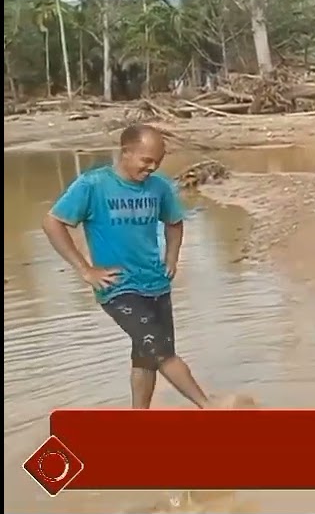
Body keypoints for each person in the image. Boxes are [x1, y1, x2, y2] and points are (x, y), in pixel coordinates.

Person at [41, 124, 213, 410]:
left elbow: (174, 222)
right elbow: (52, 222)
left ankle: (137, 421)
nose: (152, 167)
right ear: (126, 152)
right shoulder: (92, 185)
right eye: (146, 160)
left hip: (156, 283)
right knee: (162, 353)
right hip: (119, 287)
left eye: (157, 161)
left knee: (146, 356)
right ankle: (209, 408)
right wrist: (85, 269)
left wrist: (172, 258)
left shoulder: (159, 187)